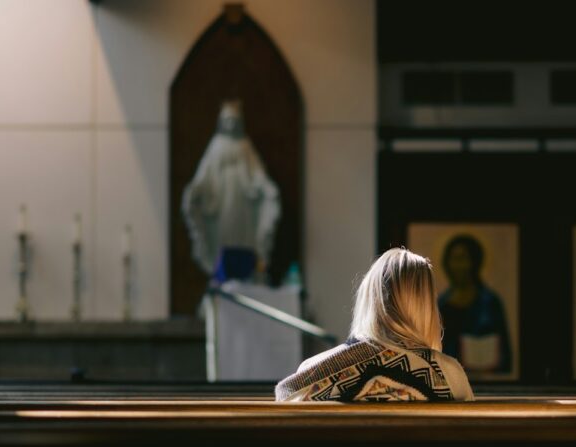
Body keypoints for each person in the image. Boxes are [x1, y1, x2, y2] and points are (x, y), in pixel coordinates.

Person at [275, 248, 475, 401]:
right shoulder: (449, 375)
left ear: (369, 298)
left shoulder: (312, 372)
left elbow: (286, 401)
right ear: (427, 308)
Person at [181, 99, 281, 277]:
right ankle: (222, 270)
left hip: (242, 198)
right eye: (227, 120)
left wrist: (266, 187)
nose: (230, 124)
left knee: (242, 236)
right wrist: (195, 189)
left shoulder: (244, 145)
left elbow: (257, 172)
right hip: (222, 199)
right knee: (225, 232)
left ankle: (246, 269)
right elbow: (204, 173)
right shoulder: (216, 145)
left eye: (233, 120)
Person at [438, 235, 512, 374]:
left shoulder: (489, 303)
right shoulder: (442, 304)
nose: (457, 266)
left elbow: (504, 353)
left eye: (463, 259)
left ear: (475, 262)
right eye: (453, 259)